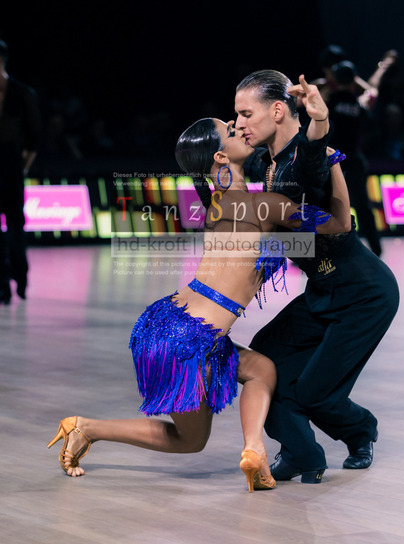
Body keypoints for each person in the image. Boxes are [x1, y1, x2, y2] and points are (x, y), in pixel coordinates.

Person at [47, 117, 351, 492]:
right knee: (197, 433)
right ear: (221, 157)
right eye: (231, 130)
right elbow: (341, 223)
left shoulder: (218, 206)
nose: (240, 127)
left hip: (163, 323)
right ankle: (253, 448)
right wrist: (332, 161)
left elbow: (263, 242)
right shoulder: (265, 205)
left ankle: (87, 428)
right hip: (190, 337)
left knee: (257, 373)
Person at [235, 69, 399, 483]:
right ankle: (301, 453)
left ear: (277, 110)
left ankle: (361, 431)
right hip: (323, 290)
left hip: (364, 294)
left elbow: (312, 159)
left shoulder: (307, 157)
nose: (239, 123)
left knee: (315, 393)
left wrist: (320, 120)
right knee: (264, 359)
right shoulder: (264, 163)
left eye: (246, 114)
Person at [327, 60, 382, 256]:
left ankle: (308, 252)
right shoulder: (359, 105)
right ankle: (376, 250)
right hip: (354, 161)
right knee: (363, 205)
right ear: (353, 80)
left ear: (335, 79)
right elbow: (372, 94)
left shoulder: (328, 101)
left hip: (331, 161)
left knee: (321, 204)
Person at [0, 39, 40, 304]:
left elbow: (33, 140)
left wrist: (22, 169)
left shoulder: (22, 94)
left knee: (15, 225)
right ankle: (2, 284)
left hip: (12, 168)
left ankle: (20, 276)